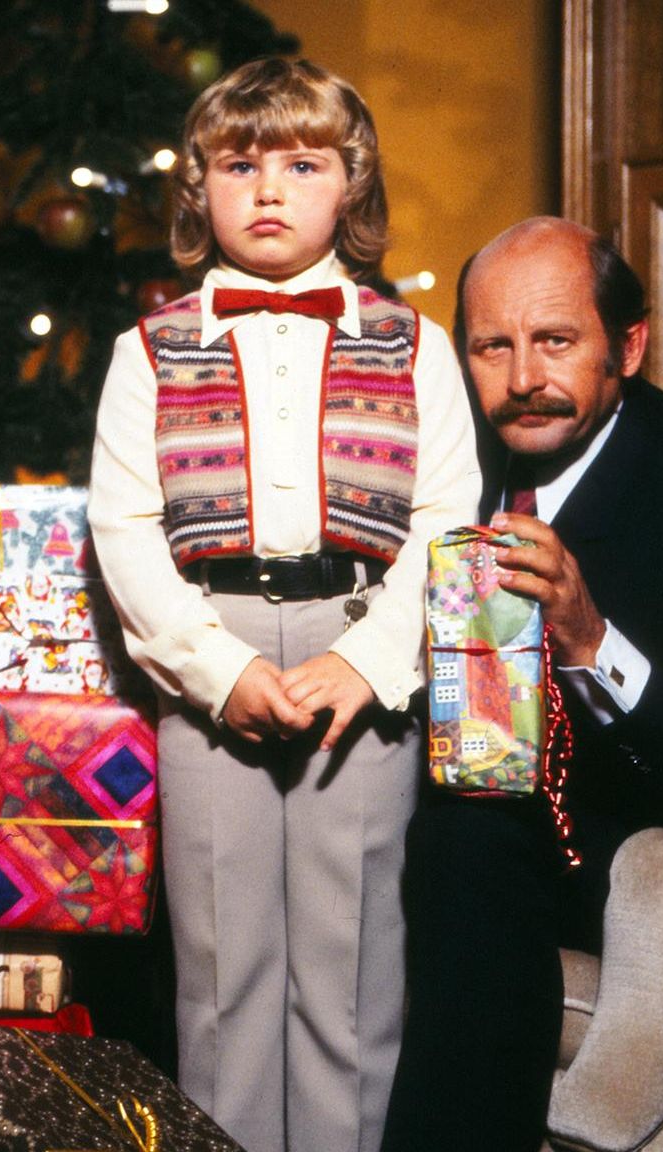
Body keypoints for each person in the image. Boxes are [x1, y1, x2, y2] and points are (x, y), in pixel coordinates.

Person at [87, 57, 481, 1152]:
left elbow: (449, 527)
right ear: (195, 191)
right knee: (220, 968)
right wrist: (216, 671)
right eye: (238, 166)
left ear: (348, 186)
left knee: (349, 964)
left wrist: (366, 665)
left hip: (361, 649)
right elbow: (122, 530)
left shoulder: (416, 347)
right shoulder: (147, 353)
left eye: (301, 164)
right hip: (208, 659)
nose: (267, 191)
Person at [379, 217, 663, 1152]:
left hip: (604, 831)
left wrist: (589, 637)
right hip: (446, 785)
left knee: (470, 838)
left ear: (628, 348)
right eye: (494, 345)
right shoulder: (459, 457)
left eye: (556, 340)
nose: (524, 377)